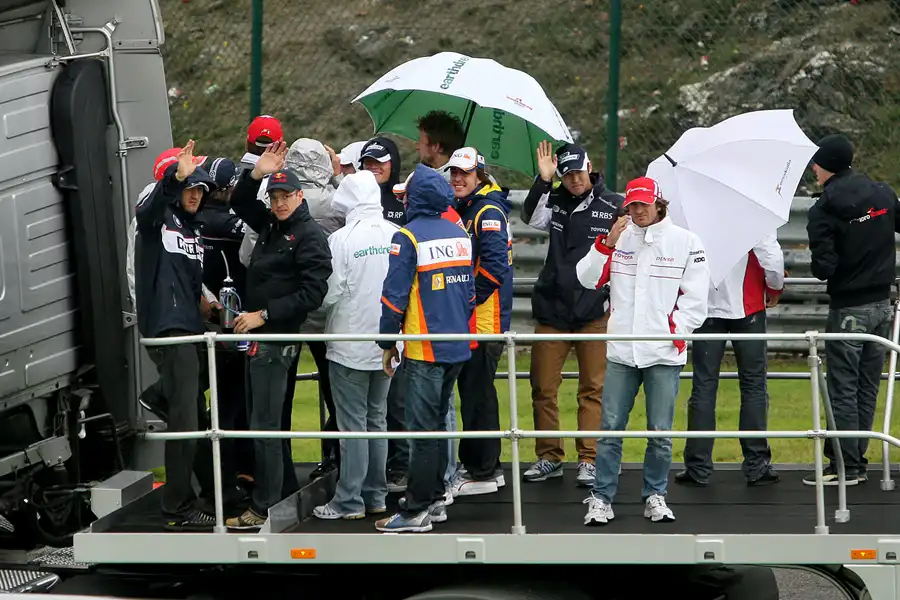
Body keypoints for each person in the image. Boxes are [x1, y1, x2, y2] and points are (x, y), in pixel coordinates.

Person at [576, 176, 709, 525]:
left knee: (660, 433)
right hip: (621, 350)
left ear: (659, 204)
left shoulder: (686, 241)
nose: (637, 211)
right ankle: (602, 497)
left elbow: (696, 300)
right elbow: (586, 279)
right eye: (632, 205)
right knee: (610, 429)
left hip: (663, 353)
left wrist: (675, 332)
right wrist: (605, 244)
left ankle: (655, 495)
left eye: (643, 204)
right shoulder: (617, 238)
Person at [224, 142, 333, 530]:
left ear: (301, 196)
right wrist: (256, 174)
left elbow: (312, 293)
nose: (280, 201)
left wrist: (264, 316)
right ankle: (282, 490)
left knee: (265, 425)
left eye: (286, 195)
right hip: (262, 337)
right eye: (275, 196)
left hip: (277, 337)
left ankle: (264, 505)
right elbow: (239, 203)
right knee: (264, 422)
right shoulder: (272, 223)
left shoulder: (309, 235)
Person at [375, 165, 476, 533]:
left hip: (424, 348)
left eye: (406, 194)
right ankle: (433, 501)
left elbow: (393, 298)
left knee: (421, 432)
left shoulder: (407, 237)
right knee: (437, 428)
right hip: (458, 346)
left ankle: (416, 509)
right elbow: (468, 294)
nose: (401, 198)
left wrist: (387, 342)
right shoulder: (460, 233)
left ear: (416, 198)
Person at [521, 141, 623, 486]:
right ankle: (549, 456)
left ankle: (589, 459)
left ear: (590, 166)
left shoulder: (615, 205)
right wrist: (543, 180)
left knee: (593, 388)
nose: (575, 179)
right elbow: (529, 215)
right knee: (543, 386)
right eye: (567, 175)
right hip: (553, 308)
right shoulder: (556, 200)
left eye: (579, 171)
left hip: (595, 310)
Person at [805, 133, 900, 486]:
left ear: (825, 165)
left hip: (848, 307)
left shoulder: (823, 208)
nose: (813, 169)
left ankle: (846, 468)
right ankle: (859, 460)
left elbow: (824, 269)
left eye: (815, 163)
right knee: (867, 386)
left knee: (842, 388)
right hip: (884, 306)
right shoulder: (883, 193)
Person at [134, 140, 218, 530]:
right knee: (186, 419)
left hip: (188, 326)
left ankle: (158, 396)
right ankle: (177, 506)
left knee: (193, 413)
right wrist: (174, 177)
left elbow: (189, 281)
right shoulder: (154, 213)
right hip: (169, 328)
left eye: (202, 189)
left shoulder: (189, 225)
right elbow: (151, 205)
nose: (197, 194)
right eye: (191, 186)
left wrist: (214, 307)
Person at [313, 170, 399, 520]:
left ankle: (348, 501)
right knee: (377, 421)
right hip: (389, 346)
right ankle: (376, 496)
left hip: (349, 343)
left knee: (352, 427)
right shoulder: (397, 234)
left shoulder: (341, 240)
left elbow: (328, 294)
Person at [677, 235, 785, 488]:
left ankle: (697, 467)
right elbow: (772, 257)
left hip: (705, 306)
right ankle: (757, 466)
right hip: (747, 306)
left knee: (703, 385)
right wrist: (775, 287)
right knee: (754, 385)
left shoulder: (692, 206)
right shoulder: (752, 204)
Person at [445, 147, 512, 497]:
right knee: (474, 393)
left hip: (484, 320)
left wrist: (466, 299)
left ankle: (483, 470)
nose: (458, 178)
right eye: (454, 172)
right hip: (475, 320)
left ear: (480, 176)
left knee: (478, 395)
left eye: (465, 173)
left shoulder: (486, 210)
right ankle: (485, 466)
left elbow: (495, 268)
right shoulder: (469, 207)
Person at [283, 138, 345, 482]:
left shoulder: (276, 198)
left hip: (289, 312)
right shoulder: (337, 200)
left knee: (281, 395)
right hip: (328, 312)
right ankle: (336, 457)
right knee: (336, 391)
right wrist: (336, 177)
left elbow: (249, 254)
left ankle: (280, 470)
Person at [195, 157, 255, 488]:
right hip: (235, 322)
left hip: (209, 320)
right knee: (235, 403)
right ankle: (239, 473)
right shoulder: (233, 224)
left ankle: (223, 474)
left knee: (220, 404)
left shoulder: (194, 220)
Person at [358, 137, 405, 226]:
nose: (373, 166)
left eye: (380, 161)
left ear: (393, 164)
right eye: (368, 161)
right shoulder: (353, 197)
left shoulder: (407, 199)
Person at [415, 110, 466, 180]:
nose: (417, 147)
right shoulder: (426, 173)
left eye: (420, 142)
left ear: (436, 147)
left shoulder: (449, 183)